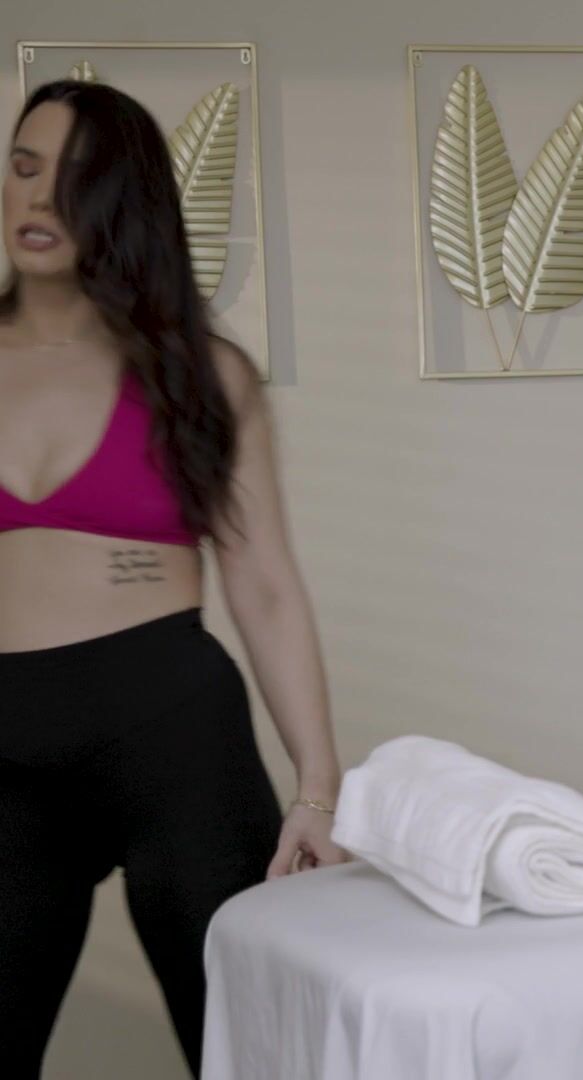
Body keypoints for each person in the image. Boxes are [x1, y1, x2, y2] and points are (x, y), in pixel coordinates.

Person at [0, 80, 349, 1078]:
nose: (40, 197)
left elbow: (265, 583)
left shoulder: (201, 372)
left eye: (76, 178)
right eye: (24, 166)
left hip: (169, 728)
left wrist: (319, 793)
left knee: (244, 1045)